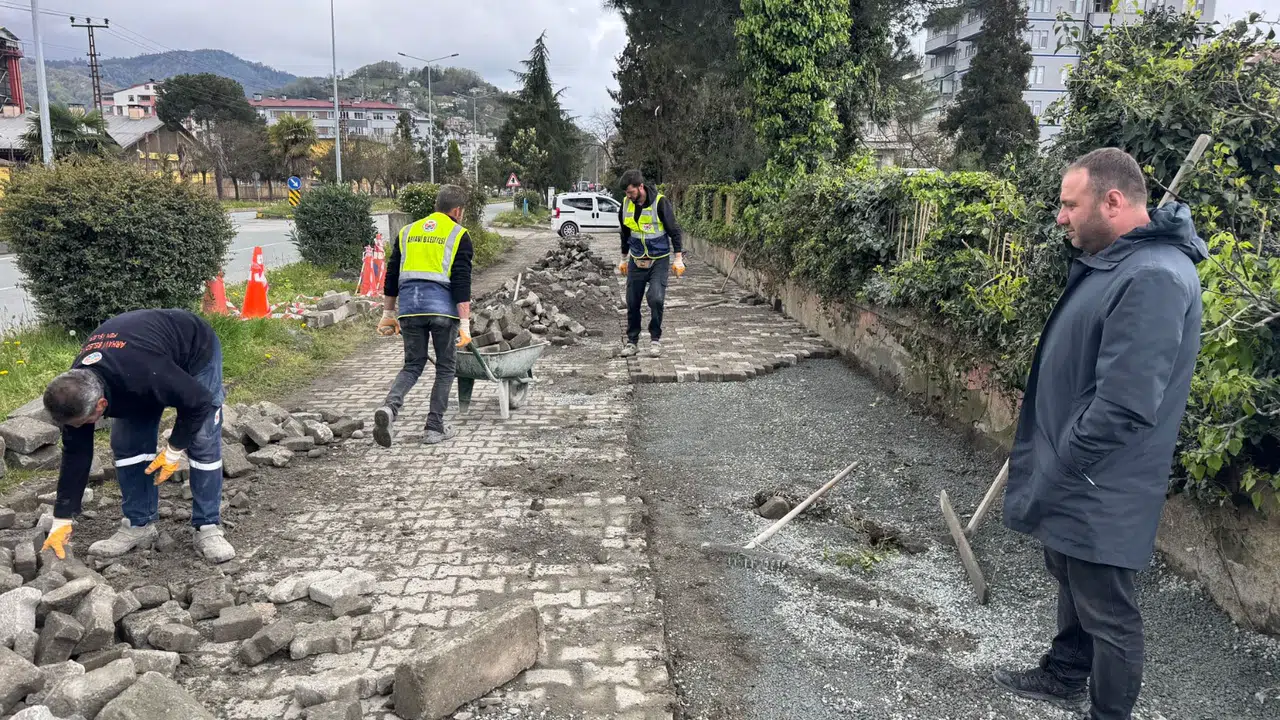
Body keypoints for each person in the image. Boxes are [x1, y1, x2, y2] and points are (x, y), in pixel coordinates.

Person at [995, 148, 1207, 720]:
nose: (1060, 216)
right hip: (1079, 470)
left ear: (1112, 201)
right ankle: (1066, 672)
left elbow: (1125, 405)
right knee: (1070, 575)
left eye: (1070, 204)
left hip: (1100, 478)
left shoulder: (1154, 277)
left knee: (1106, 609)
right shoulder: (1121, 262)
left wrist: (1064, 462)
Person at [39, 309, 234, 564]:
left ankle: (207, 526)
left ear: (101, 404)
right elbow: (76, 454)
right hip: (141, 363)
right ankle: (139, 524)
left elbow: (198, 402)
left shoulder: (144, 372)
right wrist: (62, 519)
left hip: (193, 350)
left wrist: (174, 449)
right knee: (128, 443)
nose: (80, 428)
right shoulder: (74, 391)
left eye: (84, 422)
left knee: (201, 439)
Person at [373, 184, 474, 447]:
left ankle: (389, 409)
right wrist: (465, 324)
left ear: (436, 207)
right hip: (442, 311)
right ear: (457, 211)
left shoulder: (408, 231)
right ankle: (434, 427)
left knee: (412, 365)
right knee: (446, 367)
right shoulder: (458, 234)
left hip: (409, 309)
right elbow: (461, 282)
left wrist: (387, 313)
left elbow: (392, 275)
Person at [617, 169, 685, 358]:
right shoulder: (625, 204)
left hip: (658, 260)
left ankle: (655, 340)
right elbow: (625, 233)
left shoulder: (660, 202)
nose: (628, 196)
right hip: (637, 259)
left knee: (655, 298)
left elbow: (674, 230)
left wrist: (678, 258)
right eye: (626, 193)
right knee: (632, 301)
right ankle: (632, 342)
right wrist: (623, 258)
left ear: (641, 187)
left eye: (631, 192)